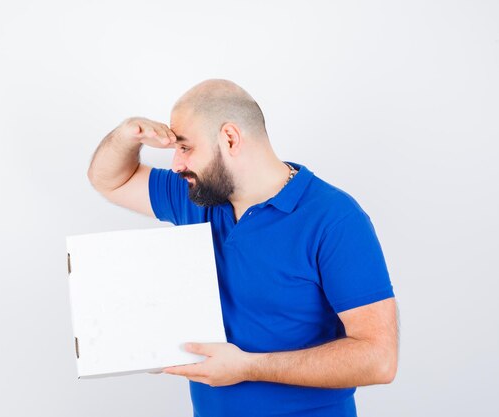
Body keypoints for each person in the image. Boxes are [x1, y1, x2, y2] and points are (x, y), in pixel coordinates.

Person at [87, 79, 398, 417]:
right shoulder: (196, 197)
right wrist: (125, 135)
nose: (176, 164)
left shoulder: (334, 219)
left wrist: (247, 367)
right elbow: (110, 179)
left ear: (230, 138)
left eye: (186, 147)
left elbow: (379, 359)